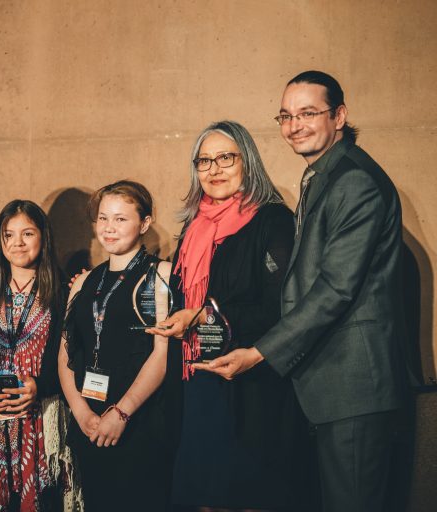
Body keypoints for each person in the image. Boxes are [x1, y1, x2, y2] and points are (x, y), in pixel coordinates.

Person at [199, 71, 408, 512]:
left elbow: (335, 289)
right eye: (286, 116)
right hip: (326, 384)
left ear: (340, 116)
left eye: (308, 113)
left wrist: (259, 352)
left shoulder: (354, 181)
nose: (295, 125)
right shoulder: (323, 175)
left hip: (353, 387)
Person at [149, 121, 307, 511]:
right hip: (197, 378)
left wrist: (201, 316)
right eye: (205, 161)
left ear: (247, 161)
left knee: (244, 493)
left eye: (225, 158)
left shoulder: (272, 220)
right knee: (202, 493)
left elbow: (281, 306)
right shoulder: (192, 227)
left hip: (247, 381)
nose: (214, 169)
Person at [59, 180, 171, 512]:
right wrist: (80, 413)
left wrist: (121, 413)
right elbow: (66, 353)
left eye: (121, 219)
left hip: (138, 421)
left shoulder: (159, 275)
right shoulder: (82, 281)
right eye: (103, 218)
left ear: (145, 224)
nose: (109, 228)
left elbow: (161, 354)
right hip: (89, 420)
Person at [0, 200, 83, 511]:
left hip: (42, 411)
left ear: (43, 237)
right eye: (8, 235)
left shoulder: (64, 292)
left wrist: (41, 384)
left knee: (45, 497)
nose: (17, 243)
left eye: (27, 233)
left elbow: (72, 358)